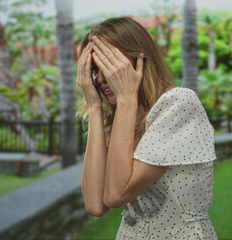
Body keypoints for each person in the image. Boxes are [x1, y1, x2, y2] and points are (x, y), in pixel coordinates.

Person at [77, 17, 218, 239]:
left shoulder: (179, 103)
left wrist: (126, 99)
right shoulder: (117, 118)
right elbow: (96, 205)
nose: (101, 78)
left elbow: (115, 195)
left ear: (139, 60)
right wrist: (94, 106)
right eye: (94, 69)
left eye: (110, 65)